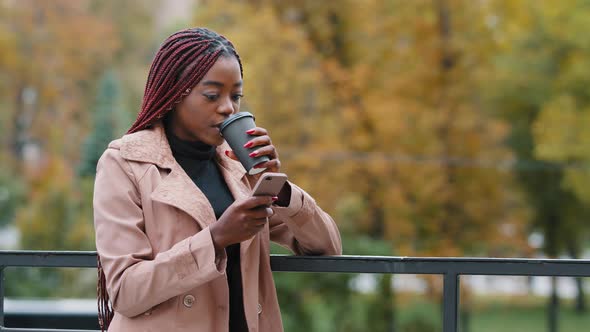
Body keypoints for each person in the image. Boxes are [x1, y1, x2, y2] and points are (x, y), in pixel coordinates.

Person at [93, 27, 342, 332]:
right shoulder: (125, 163)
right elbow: (125, 291)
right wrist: (215, 239)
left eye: (236, 96)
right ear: (174, 94)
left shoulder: (239, 167)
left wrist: (277, 186)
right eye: (212, 95)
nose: (228, 107)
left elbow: (327, 248)